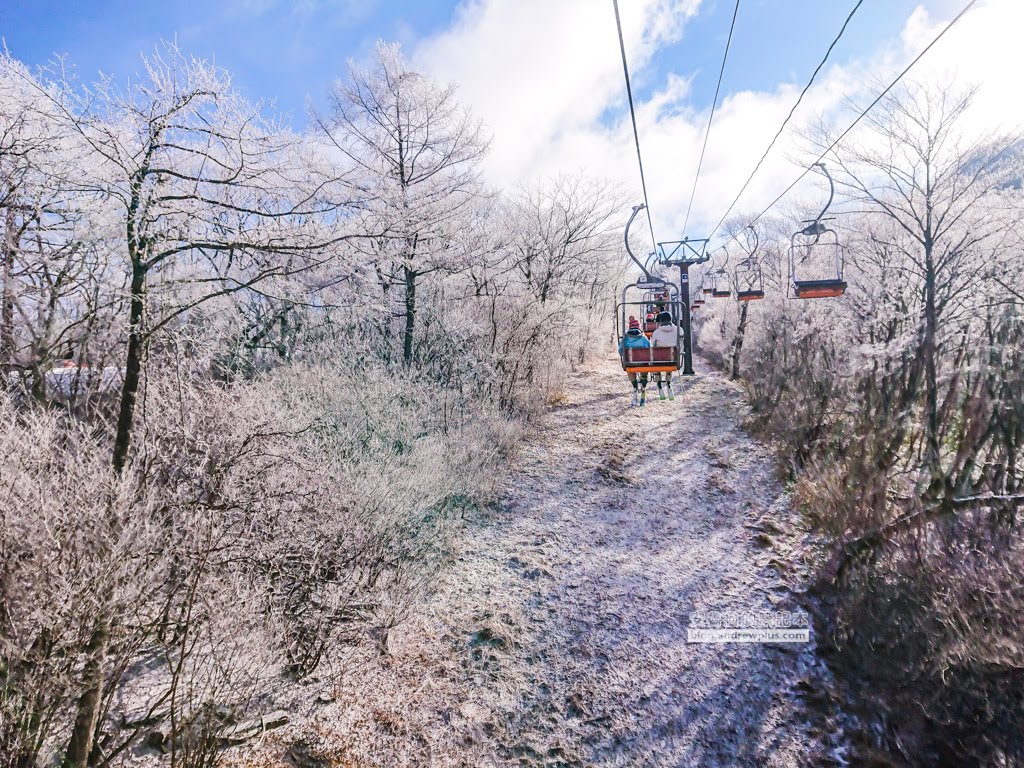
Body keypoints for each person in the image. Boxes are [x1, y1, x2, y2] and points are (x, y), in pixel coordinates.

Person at [619, 315, 651, 406]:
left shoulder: (625, 338)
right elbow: (649, 350)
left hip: (630, 364)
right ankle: (643, 388)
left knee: (630, 367)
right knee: (644, 368)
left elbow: (620, 351)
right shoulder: (644, 338)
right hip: (643, 364)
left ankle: (635, 387)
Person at [650, 310, 681, 401]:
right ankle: (669, 383)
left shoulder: (656, 333)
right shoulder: (679, 330)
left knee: (657, 360)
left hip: (659, 361)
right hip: (673, 360)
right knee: (670, 362)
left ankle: (659, 386)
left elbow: (653, 345)